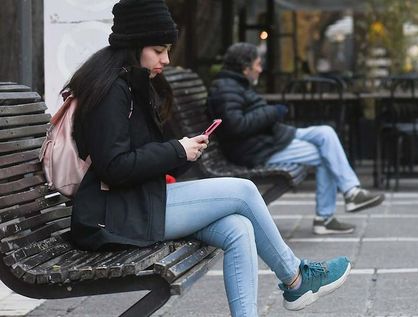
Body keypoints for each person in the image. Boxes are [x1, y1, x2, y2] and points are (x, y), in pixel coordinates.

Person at [67, 0, 351, 315]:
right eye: (159, 50)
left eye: (167, 50)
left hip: (136, 202)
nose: (166, 59)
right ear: (134, 45)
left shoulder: (134, 84)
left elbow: (139, 156)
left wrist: (184, 151)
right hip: (113, 215)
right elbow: (114, 166)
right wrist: (177, 149)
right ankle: (295, 279)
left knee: (238, 226)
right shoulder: (112, 90)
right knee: (243, 190)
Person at [207, 42, 385, 235]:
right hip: (257, 149)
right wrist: (272, 112)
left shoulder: (234, 85)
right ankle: (328, 216)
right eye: (258, 64)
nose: (261, 69)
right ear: (245, 67)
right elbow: (237, 126)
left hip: (269, 138)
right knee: (326, 153)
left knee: (326, 132)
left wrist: (270, 114)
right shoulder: (226, 89)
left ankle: (351, 193)